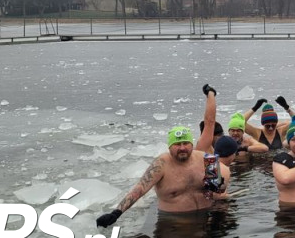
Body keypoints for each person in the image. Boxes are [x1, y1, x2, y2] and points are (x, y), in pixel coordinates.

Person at [96, 85, 230, 227]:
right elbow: (140, 189)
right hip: (173, 223)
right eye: (177, 144)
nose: (182, 148)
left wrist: (221, 194)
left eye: (185, 143)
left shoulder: (207, 160)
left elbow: (216, 191)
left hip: (206, 217)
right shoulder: (162, 164)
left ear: (191, 143)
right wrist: (116, 213)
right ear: (169, 146)